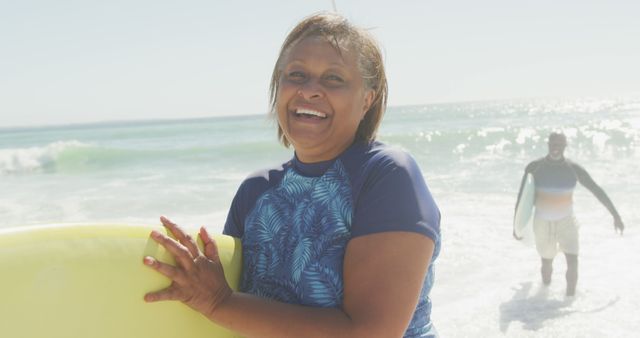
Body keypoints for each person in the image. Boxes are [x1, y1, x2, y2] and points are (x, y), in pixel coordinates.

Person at [143, 13, 441, 337]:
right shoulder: (254, 192)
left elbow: (370, 332)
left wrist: (218, 302)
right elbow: (233, 318)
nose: (309, 90)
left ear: (367, 99)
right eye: (296, 75)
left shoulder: (385, 175)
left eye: (333, 79)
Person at [514, 131, 624, 296]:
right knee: (546, 263)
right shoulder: (534, 167)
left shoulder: (574, 169)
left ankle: (569, 300)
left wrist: (615, 215)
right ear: (548, 145)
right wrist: (517, 226)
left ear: (565, 146)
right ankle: (542, 295)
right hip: (542, 222)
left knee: (573, 261)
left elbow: (596, 190)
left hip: (567, 221)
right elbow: (522, 197)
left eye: (559, 144)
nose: (555, 147)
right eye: (552, 144)